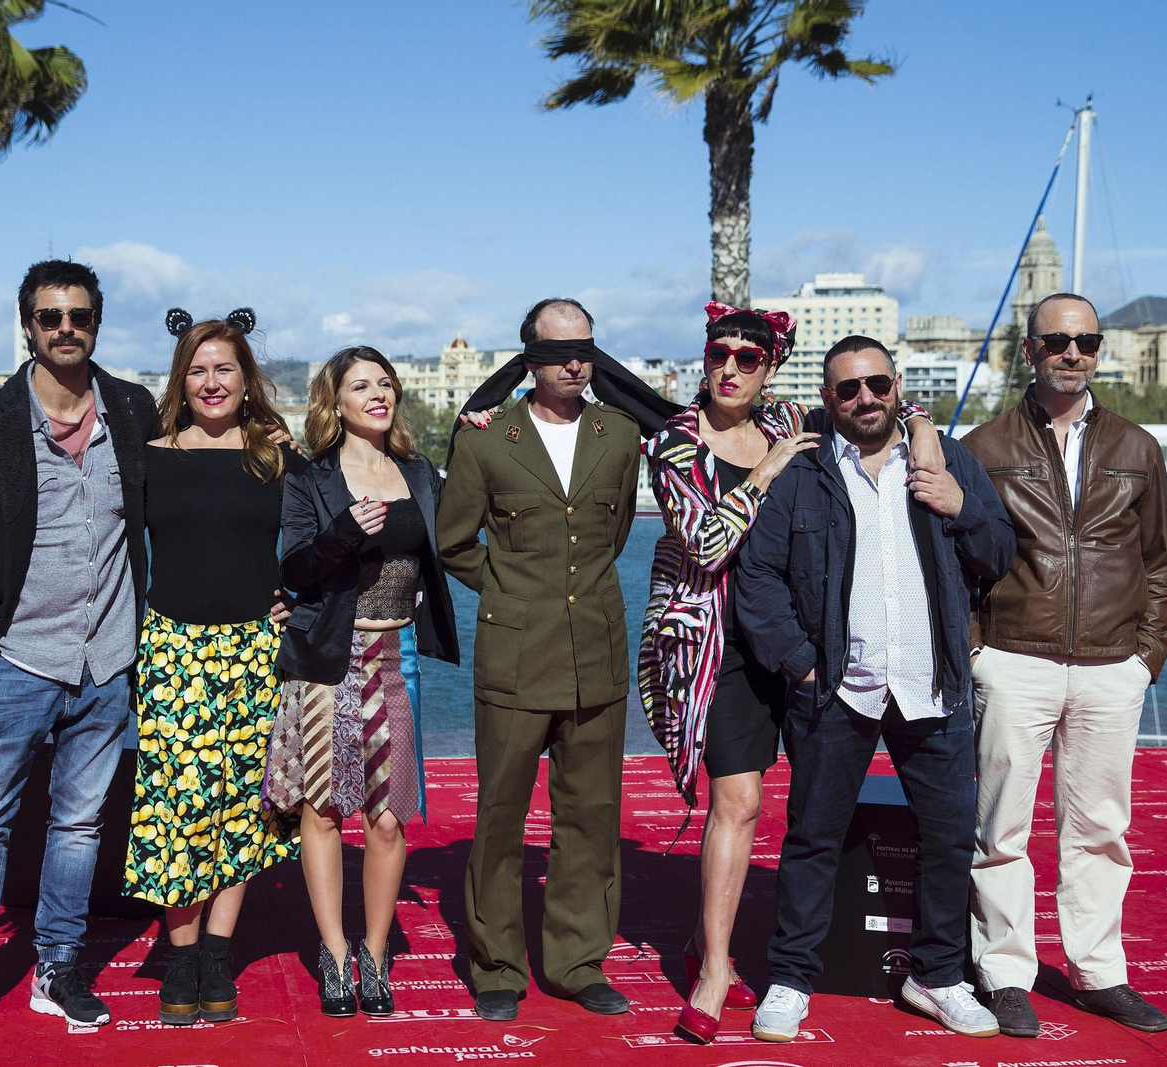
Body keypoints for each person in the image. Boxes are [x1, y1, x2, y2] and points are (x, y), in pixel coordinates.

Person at [638, 303, 943, 1044]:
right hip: (718, 644)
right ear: (703, 357)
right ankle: (716, 968)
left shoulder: (791, 415)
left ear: (770, 367)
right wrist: (768, 471)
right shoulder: (675, 442)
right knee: (737, 801)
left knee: (814, 803)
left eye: (749, 356)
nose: (732, 367)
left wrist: (927, 429)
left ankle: (805, 954)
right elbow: (707, 545)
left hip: (806, 636)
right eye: (721, 353)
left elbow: (877, 409)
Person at [0, 260, 157, 1046]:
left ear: (97, 323)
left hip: (108, 659)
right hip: (15, 660)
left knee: (79, 824)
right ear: (27, 326)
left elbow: (196, 481)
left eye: (79, 315)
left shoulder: (134, 409)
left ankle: (58, 966)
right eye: (50, 317)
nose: (66, 328)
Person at [735, 335, 1015, 1043]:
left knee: (951, 839)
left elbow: (999, 554)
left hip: (933, 685)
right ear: (828, 398)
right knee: (812, 839)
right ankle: (792, 977)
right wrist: (800, 663)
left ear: (898, 388)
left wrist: (961, 506)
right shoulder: (802, 474)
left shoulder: (947, 460)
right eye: (848, 389)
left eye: (878, 385)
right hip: (837, 688)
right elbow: (758, 577)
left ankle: (939, 974)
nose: (865, 398)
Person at [964, 293, 1167, 1036]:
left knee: (1098, 828)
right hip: (1014, 659)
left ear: (1099, 347)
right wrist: (975, 651)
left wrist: (1145, 657)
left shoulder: (1136, 447)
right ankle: (1004, 971)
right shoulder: (985, 446)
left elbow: (1158, 563)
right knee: (1000, 830)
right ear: (1030, 348)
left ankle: (1098, 972)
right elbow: (954, 559)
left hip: (1111, 666)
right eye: (1057, 339)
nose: (1073, 352)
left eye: (1087, 339)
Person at [436, 298, 641, 1022]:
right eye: (558, 352)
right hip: (515, 653)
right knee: (499, 814)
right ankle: (497, 965)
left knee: (591, 814)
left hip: (597, 654)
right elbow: (455, 540)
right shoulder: (488, 440)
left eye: (583, 348)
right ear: (529, 359)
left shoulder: (619, 433)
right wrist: (515, 592)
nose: (574, 362)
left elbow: (613, 532)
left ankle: (577, 960)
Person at [266, 346, 459, 1018]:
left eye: (384, 383)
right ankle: (335, 952)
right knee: (323, 810)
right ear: (336, 401)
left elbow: (457, 536)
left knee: (387, 816)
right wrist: (345, 529)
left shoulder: (419, 471)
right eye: (360, 385)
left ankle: (375, 952)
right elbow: (293, 565)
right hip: (328, 659)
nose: (376, 393)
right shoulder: (312, 477)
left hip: (394, 655)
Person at [123, 308, 302, 1025]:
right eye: (198, 369)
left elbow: (315, 541)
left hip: (255, 650)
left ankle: (215, 956)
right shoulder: (151, 454)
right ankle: (181, 949)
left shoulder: (277, 457)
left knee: (246, 805)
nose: (211, 380)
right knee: (176, 806)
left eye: (224, 367)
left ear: (246, 375)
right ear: (180, 379)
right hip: (173, 649)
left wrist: (300, 600)